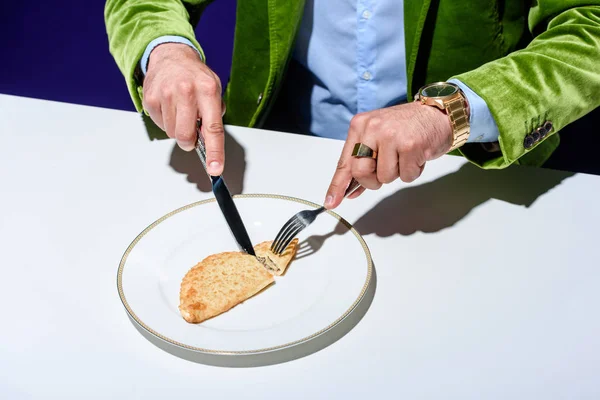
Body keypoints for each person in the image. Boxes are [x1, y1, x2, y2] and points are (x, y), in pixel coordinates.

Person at [105, 0, 600, 209]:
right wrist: (164, 49)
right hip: (270, 156)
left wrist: (455, 111)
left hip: (465, 176)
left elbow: (590, 26)